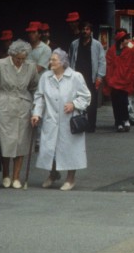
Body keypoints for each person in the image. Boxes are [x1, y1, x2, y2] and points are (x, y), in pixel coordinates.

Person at [30, 49, 92, 191]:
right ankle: (53, 173)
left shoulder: (75, 77)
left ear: (63, 62)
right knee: (50, 148)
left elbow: (86, 96)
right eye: (50, 59)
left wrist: (74, 104)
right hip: (51, 119)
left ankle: (70, 179)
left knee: (71, 149)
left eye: (54, 60)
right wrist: (36, 114)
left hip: (69, 120)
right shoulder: (46, 77)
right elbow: (39, 97)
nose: (50, 62)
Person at [0, 40, 40, 189]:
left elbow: (35, 88)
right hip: (4, 104)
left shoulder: (31, 67)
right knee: (6, 142)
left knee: (21, 141)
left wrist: (37, 109)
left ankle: (16, 177)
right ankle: (6, 174)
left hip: (24, 105)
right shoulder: (0, 65)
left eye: (23, 58)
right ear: (12, 54)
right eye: (18, 58)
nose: (20, 61)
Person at [69, 20, 106, 133]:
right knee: (77, 100)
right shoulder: (74, 44)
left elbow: (102, 61)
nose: (85, 31)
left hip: (91, 77)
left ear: (90, 31)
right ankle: (78, 123)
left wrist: (99, 77)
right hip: (77, 77)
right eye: (83, 29)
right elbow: (71, 59)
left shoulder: (97, 45)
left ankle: (91, 125)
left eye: (87, 29)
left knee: (92, 102)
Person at [106, 30, 134, 132]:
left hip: (125, 79)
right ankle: (119, 121)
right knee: (116, 102)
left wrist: (132, 76)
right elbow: (109, 64)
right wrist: (109, 78)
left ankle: (125, 119)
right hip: (114, 79)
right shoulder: (112, 50)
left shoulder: (130, 48)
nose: (128, 40)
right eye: (126, 39)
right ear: (121, 40)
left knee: (123, 101)